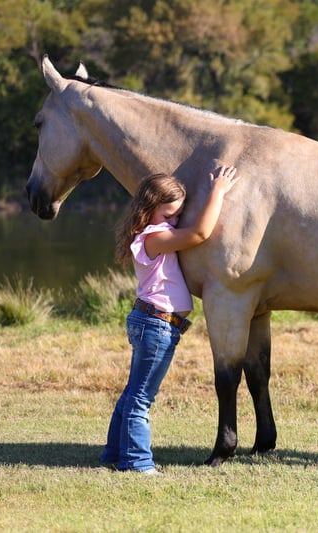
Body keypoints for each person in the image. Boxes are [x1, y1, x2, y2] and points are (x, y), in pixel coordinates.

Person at [100, 165, 240, 475]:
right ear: (148, 209)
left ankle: (113, 454)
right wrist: (218, 191)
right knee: (140, 398)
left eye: (177, 216)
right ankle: (137, 462)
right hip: (156, 324)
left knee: (133, 393)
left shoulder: (153, 233)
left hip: (153, 322)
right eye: (169, 215)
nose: (173, 221)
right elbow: (199, 233)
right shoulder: (154, 237)